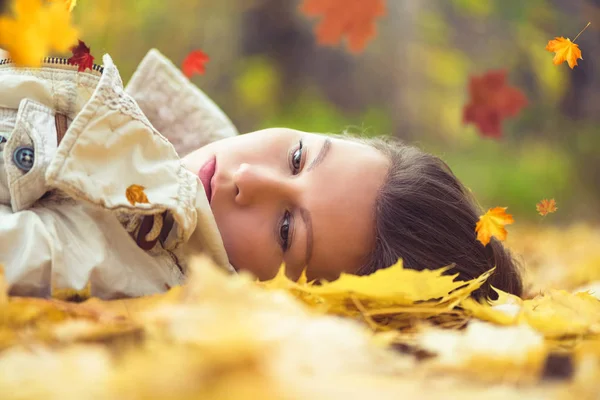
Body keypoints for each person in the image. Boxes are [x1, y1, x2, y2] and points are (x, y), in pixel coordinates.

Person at [0, 49, 522, 299]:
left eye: (287, 230)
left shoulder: (125, 263)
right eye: (297, 158)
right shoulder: (147, 136)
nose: (248, 179)